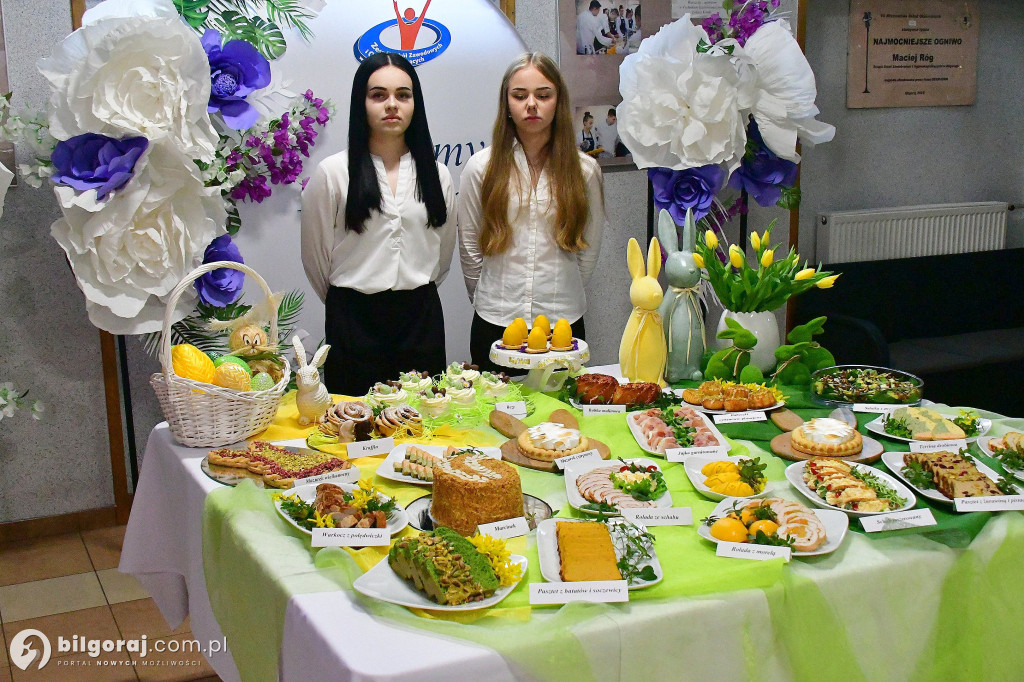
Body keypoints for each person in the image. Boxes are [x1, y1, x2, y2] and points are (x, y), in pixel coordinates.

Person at [301, 52, 456, 396]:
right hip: (354, 322)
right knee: (354, 434)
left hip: (420, 321)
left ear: (415, 103)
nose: (392, 105)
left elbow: (442, 256)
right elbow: (316, 259)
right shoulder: (333, 173)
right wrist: (349, 304)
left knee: (423, 428)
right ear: (362, 102)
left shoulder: (437, 175)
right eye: (378, 95)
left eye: (403, 95)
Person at [458, 52, 608, 372]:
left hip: (562, 326)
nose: (531, 104)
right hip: (495, 322)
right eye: (519, 95)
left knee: (557, 419)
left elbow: (588, 252)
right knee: (494, 418)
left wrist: (558, 293)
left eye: (543, 95)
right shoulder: (480, 169)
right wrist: (490, 298)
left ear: (558, 102)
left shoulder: (585, 171)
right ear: (506, 104)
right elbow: (470, 249)